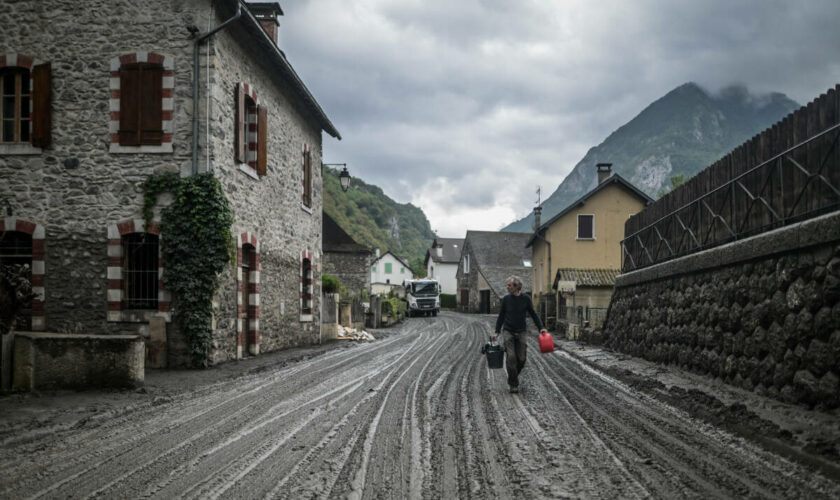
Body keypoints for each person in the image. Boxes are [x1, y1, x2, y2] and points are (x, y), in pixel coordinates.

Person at [493, 276, 547, 393]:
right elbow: (501, 315)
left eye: (509, 285)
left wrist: (541, 328)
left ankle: (512, 377)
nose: (507, 287)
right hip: (508, 331)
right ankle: (513, 384)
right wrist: (497, 331)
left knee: (522, 359)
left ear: (517, 287)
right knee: (511, 358)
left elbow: (533, 313)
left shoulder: (526, 299)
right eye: (507, 285)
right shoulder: (506, 299)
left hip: (521, 331)